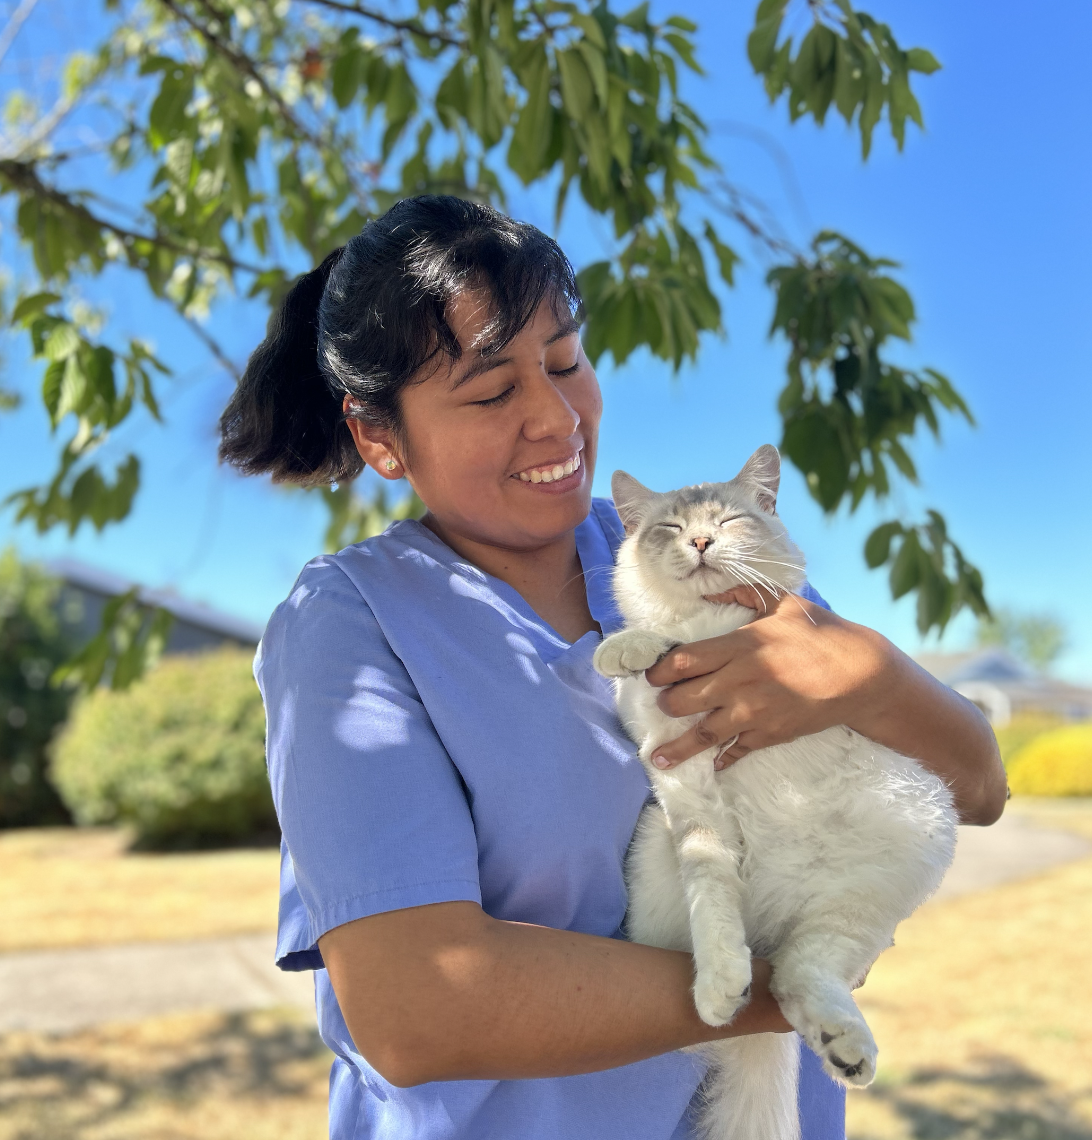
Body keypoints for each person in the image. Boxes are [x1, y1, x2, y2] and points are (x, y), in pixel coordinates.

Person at [219, 195, 1007, 1140]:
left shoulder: (684, 554)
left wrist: (870, 673)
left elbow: (976, 784)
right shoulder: (350, 629)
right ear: (380, 436)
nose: (557, 418)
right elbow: (417, 1008)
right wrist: (788, 987)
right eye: (491, 391)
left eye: (565, 361)